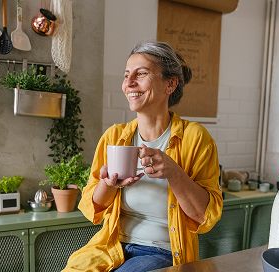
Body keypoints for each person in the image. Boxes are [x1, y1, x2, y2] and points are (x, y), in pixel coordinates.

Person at [63, 41, 222, 272]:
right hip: (111, 247)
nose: (129, 83)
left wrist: (174, 172)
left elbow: (205, 216)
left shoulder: (195, 137)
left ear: (170, 84)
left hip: (163, 250)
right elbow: (91, 207)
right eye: (127, 75)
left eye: (142, 73)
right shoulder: (115, 136)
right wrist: (109, 184)